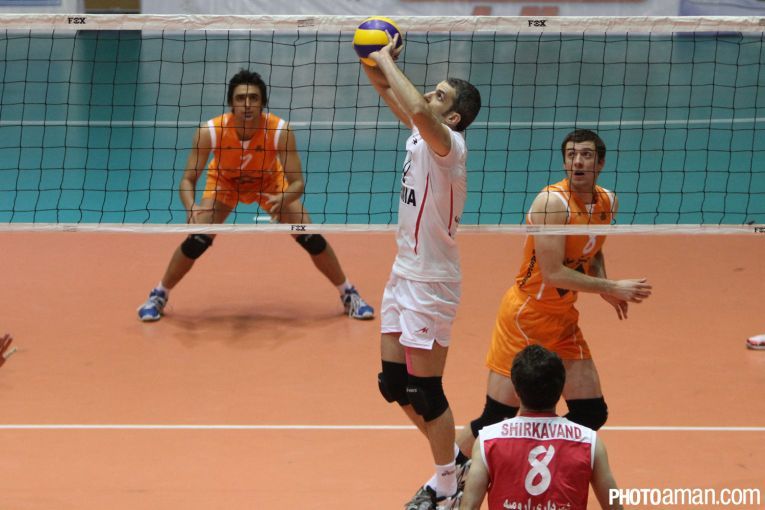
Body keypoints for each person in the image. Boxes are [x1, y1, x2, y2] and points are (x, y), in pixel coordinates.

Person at [453, 128, 652, 478]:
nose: (578, 161)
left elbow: (593, 249)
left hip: (563, 319)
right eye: (571, 155)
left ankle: (532, 464)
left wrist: (604, 287)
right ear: (564, 163)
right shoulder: (552, 204)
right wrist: (611, 286)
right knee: (495, 417)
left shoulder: (607, 202)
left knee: (591, 412)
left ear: (600, 163)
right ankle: (442, 481)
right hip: (525, 316)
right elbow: (553, 273)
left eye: (586, 155)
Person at [137, 69, 374, 322]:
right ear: (231, 103)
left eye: (254, 98)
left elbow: (297, 183)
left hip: (269, 186)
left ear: (263, 102)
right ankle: (159, 294)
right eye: (241, 98)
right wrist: (191, 206)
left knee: (310, 236)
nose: (247, 104)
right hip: (225, 184)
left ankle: (348, 294)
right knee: (197, 240)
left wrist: (282, 200)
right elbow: (187, 179)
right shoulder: (210, 131)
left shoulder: (280, 131)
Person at [361, 34, 481, 510]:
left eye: (440, 95)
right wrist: (371, 60)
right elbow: (393, 94)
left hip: (432, 282)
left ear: (452, 118)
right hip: (403, 272)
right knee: (393, 384)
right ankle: (456, 461)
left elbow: (415, 106)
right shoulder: (422, 130)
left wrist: (386, 57)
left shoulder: (449, 146)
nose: (430, 94)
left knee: (425, 390)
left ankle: (447, 487)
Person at [459, 344, 623, 510]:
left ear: (516, 391)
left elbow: (469, 507)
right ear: (560, 390)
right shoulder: (590, 443)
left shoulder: (487, 442)